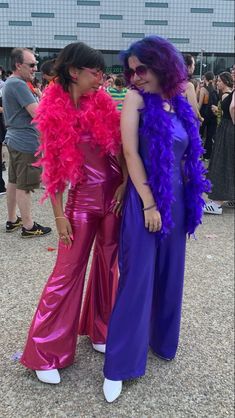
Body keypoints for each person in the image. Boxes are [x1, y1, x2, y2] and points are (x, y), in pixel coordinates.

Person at [102, 35, 210, 402]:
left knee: (171, 272)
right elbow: (131, 153)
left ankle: (162, 342)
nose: (134, 78)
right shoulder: (135, 99)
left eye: (141, 70)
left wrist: (193, 191)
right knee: (137, 277)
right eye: (130, 71)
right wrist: (149, 203)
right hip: (145, 197)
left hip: (178, 199)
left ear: (163, 64)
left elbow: (190, 152)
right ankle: (119, 363)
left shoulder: (184, 96)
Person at [20, 42, 127, 385]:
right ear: (73, 72)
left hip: (114, 197)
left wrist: (125, 183)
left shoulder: (103, 101)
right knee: (66, 273)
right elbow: (54, 169)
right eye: (95, 72)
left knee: (109, 265)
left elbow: (119, 148)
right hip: (80, 203)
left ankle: (101, 328)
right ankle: (43, 350)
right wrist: (59, 215)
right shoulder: (52, 108)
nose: (101, 77)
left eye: (101, 72)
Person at [2, 48, 51, 236]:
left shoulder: (10, 83)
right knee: (25, 185)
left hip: (14, 139)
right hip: (25, 143)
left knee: (14, 181)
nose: (35, 68)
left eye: (36, 64)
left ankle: (12, 219)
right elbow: (37, 114)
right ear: (18, 65)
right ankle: (29, 227)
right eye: (31, 65)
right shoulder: (19, 85)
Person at [204, 71, 234, 214]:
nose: (218, 83)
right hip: (226, 128)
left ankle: (217, 203)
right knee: (228, 162)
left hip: (228, 129)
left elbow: (233, 108)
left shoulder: (227, 93)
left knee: (223, 163)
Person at [198, 71, 219, 160]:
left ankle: (198, 154)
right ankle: (207, 156)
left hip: (204, 113)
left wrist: (196, 114)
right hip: (212, 114)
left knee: (200, 134)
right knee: (210, 136)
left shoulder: (203, 89)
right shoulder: (215, 89)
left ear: (205, 78)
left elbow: (199, 105)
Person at [183, 54, 203, 122]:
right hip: (184, 126)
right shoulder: (188, 86)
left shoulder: (171, 84)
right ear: (188, 67)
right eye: (193, 64)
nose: (194, 67)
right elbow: (194, 113)